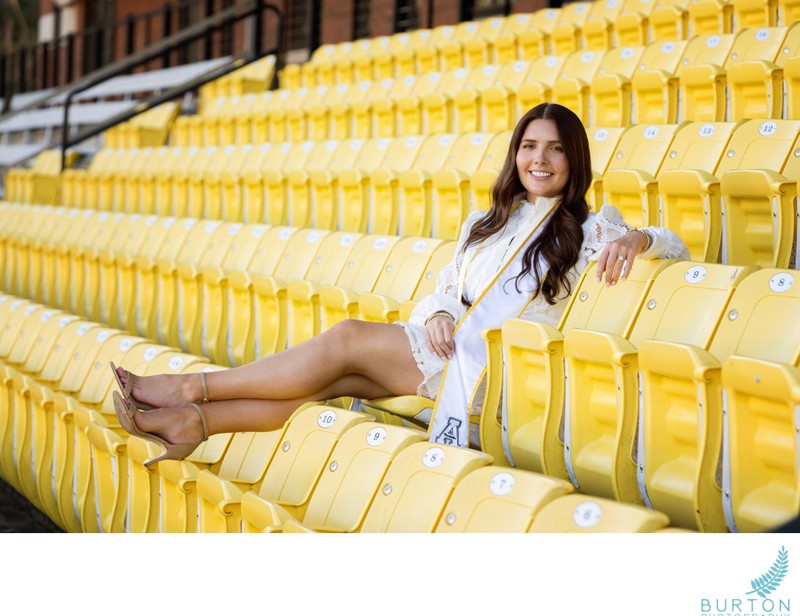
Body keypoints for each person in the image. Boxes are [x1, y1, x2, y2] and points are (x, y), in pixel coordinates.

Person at [112, 102, 690, 464]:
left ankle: (191, 390)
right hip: (447, 349)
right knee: (335, 379)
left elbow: (678, 246)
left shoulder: (589, 229)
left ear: (574, 159)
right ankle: (196, 424)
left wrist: (639, 239)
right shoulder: (485, 222)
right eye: (529, 146)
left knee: (345, 338)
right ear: (515, 154)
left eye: (556, 149)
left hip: (496, 373)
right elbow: (446, 290)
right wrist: (437, 314)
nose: (540, 160)